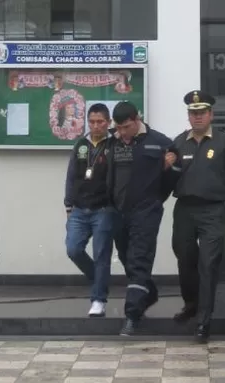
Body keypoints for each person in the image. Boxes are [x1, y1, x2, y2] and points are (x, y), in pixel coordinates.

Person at [170, 90, 225, 343]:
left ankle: (204, 321)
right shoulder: (179, 142)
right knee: (185, 261)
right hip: (184, 210)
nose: (197, 118)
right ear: (188, 116)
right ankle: (191, 304)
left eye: (202, 113)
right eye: (193, 113)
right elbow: (167, 177)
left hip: (213, 211)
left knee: (208, 265)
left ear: (211, 114)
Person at [106, 101, 179, 336]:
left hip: (146, 212)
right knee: (128, 258)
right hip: (119, 212)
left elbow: (173, 178)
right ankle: (149, 293)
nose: (123, 133)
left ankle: (131, 315)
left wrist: (156, 200)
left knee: (139, 260)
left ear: (137, 119)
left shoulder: (160, 142)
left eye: (126, 127)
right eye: (119, 128)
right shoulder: (112, 141)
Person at [63, 103, 119, 317]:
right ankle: (99, 279)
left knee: (102, 254)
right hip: (79, 209)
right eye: (92, 122)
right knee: (73, 249)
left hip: (104, 209)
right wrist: (68, 205)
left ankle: (98, 300)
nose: (96, 126)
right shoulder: (80, 145)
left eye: (100, 122)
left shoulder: (114, 145)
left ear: (108, 122)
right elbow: (70, 176)